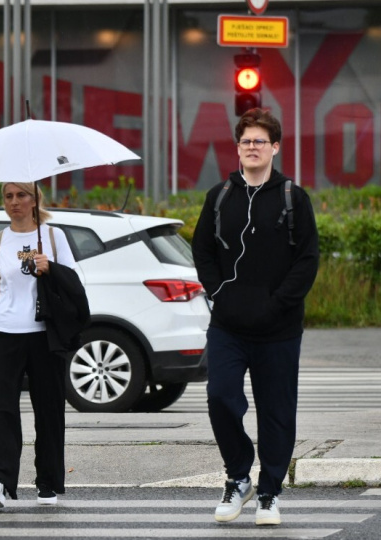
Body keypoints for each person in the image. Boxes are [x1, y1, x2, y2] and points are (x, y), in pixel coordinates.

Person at [191, 108, 319, 526]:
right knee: (220, 397)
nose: (251, 147)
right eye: (245, 141)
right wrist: (218, 294)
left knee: (276, 411)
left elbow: (307, 260)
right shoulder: (220, 196)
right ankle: (239, 477)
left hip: (279, 328)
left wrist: (277, 303)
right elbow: (203, 251)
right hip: (229, 325)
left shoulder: (292, 198)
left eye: (259, 141)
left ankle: (269, 493)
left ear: (275, 147)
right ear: (238, 147)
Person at [0, 182, 77, 509]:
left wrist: (50, 267)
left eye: (22, 195)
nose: (15, 202)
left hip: (45, 336)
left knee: (49, 411)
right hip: (6, 334)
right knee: (6, 409)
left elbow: (74, 282)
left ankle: (48, 483)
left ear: (35, 199)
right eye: (9, 196)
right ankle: (1, 479)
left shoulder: (54, 237)